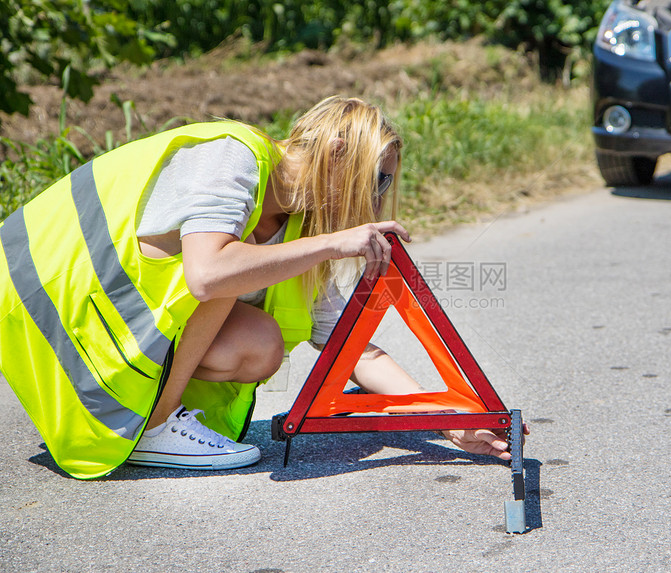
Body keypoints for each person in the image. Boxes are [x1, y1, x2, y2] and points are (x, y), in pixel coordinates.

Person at [0, 96, 522, 479]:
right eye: (376, 178)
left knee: (259, 343)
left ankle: (150, 420)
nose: (377, 197)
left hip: (90, 321)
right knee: (228, 266)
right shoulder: (233, 156)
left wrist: (448, 419)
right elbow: (207, 274)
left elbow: (350, 346)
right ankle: (156, 427)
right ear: (337, 152)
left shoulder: (298, 227)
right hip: (40, 293)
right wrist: (332, 245)